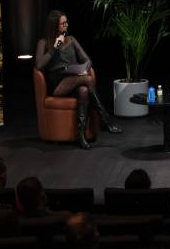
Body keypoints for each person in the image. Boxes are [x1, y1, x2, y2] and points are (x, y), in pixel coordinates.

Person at [35, 10, 121, 149]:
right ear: (54, 26)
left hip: (74, 80)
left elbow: (88, 60)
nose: (66, 25)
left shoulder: (72, 40)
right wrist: (54, 48)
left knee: (84, 91)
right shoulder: (44, 43)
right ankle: (105, 120)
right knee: (87, 80)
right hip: (58, 86)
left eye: (66, 22)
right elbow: (39, 65)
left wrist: (81, 68)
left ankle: (81, 136)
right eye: (63, 23)